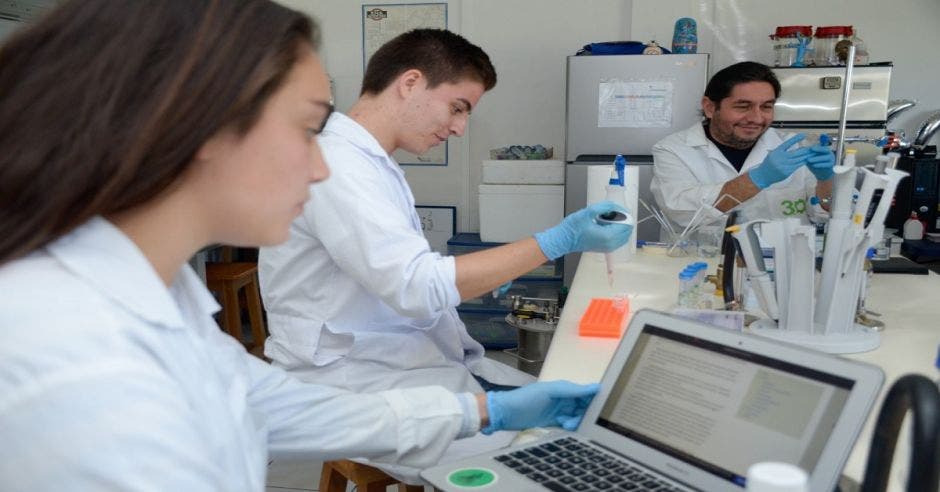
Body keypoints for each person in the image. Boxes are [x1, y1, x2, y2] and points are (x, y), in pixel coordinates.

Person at [0, 2, 601, 489]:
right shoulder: (73, 365)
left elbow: (271, 404)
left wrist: (484, 413)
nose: (320, 168)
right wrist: (556, 240)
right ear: (195, 122)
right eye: (307, 127)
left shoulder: (159, 290)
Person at [258, 28, 631, 481]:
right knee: (549, 458)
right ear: (411, 83)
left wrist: (491, 270)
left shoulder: (372, 161)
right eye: (458, 107)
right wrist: (554, 242)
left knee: (580, 414)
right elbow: (416, 286)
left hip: (402, 359)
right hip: (355, 380)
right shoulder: (340, 164)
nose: (459, 127)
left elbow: (401, 271)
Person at [650, 61, 835, 229]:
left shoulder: (795, 146)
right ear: (710, 108)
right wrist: (757, 179)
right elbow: (681, 211)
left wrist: (825, 179)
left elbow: (828, 214)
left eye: (766, 107)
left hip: (781, 260)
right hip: (703, 259)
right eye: (743, 106)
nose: (756, 118)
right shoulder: (673, 150)